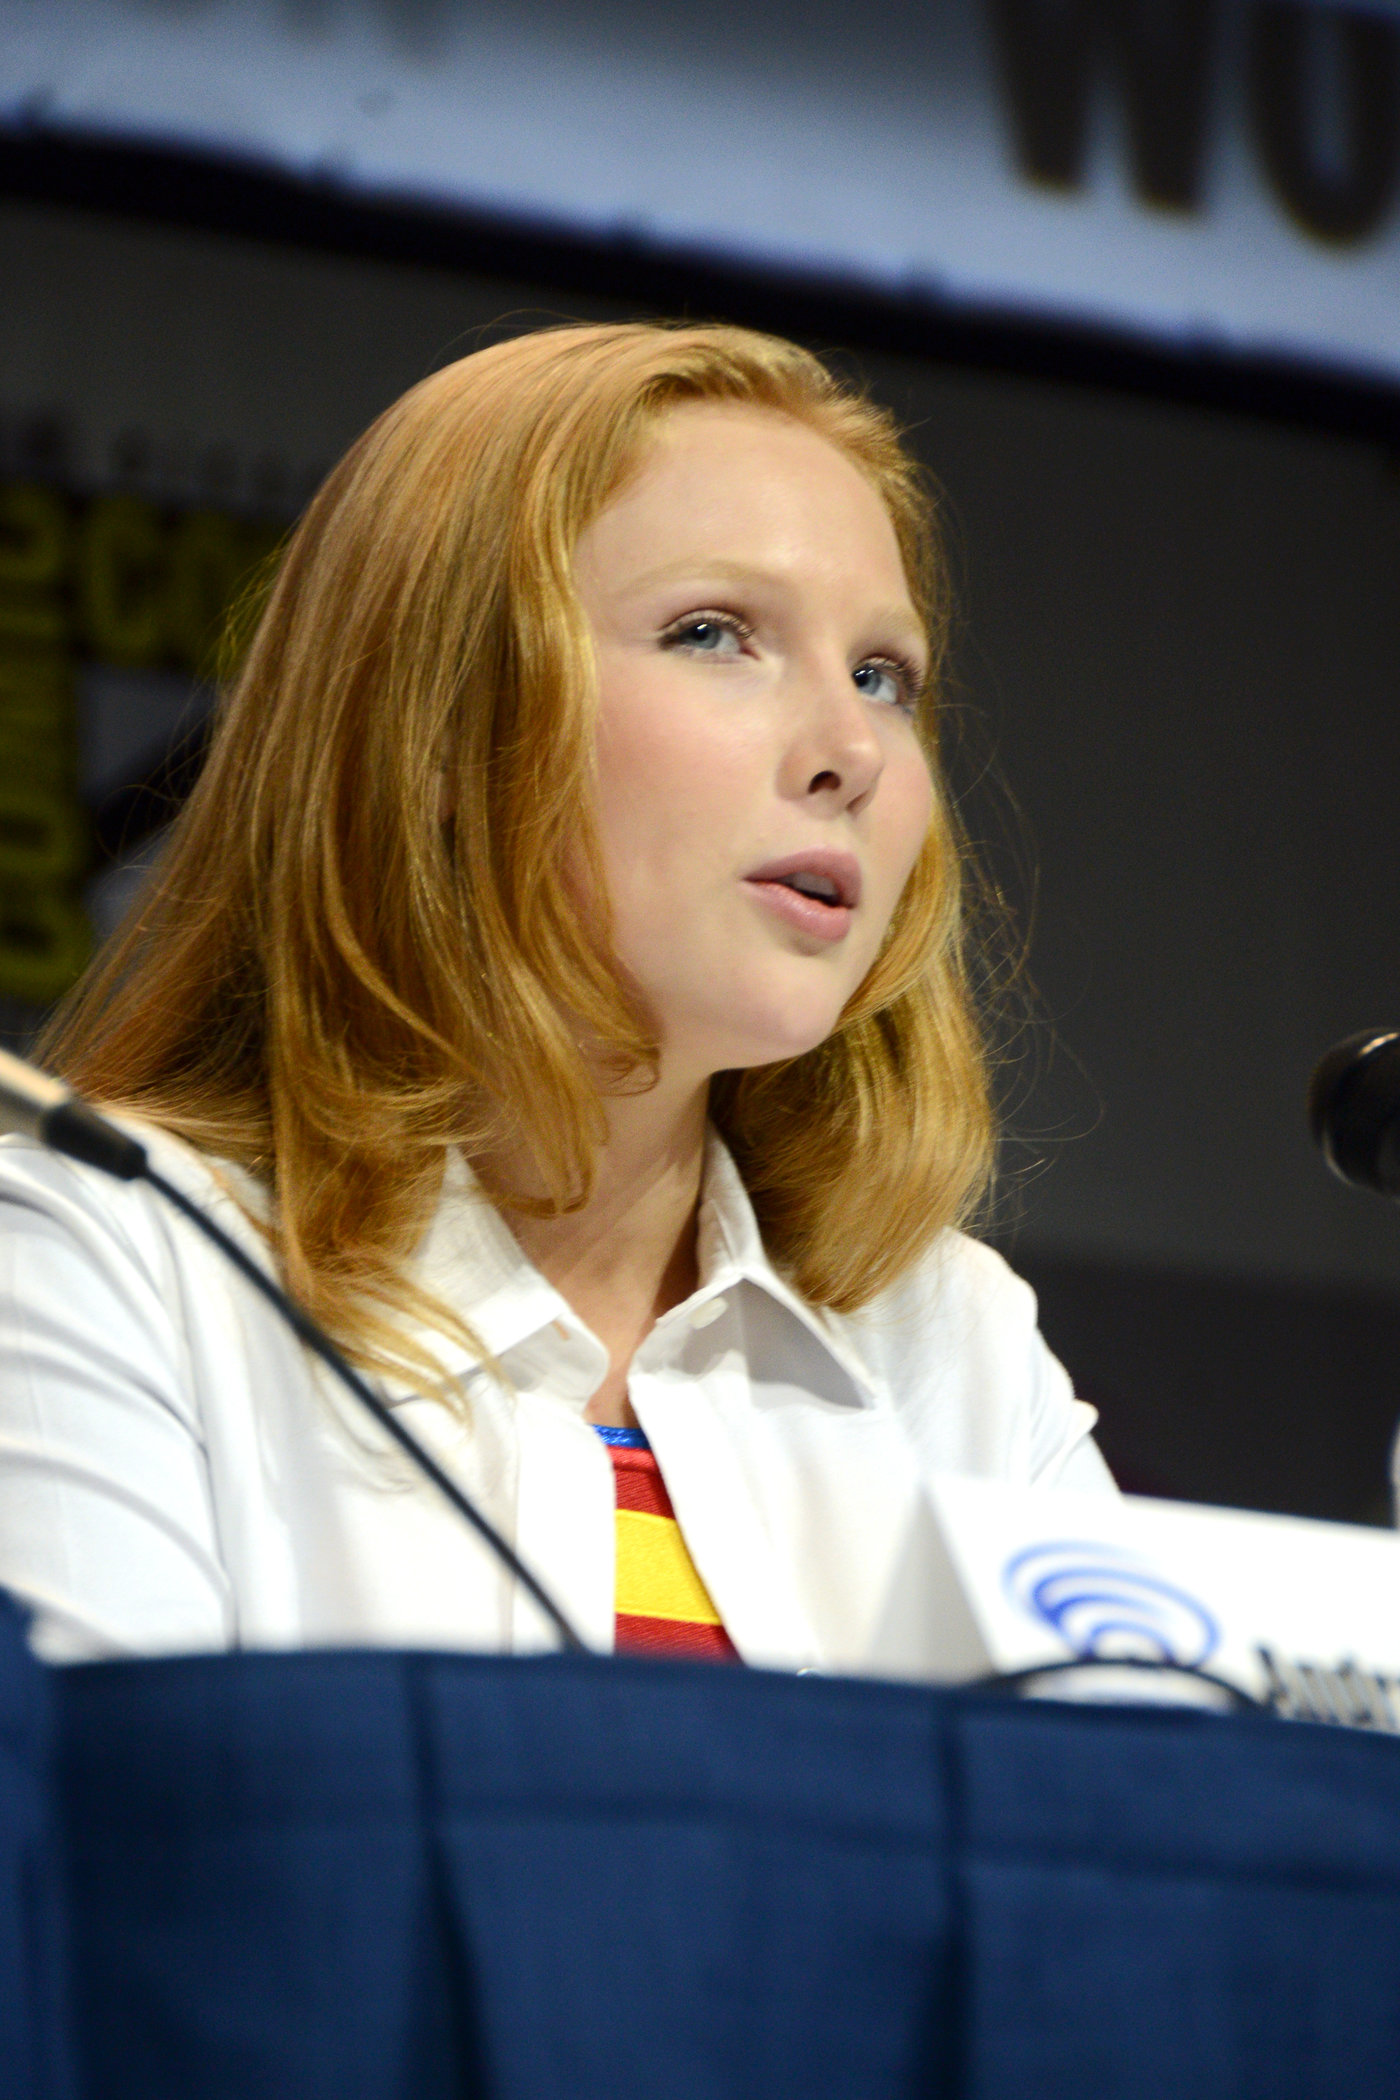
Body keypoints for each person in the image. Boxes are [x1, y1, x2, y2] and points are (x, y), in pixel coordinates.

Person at [0, 322, 1113, 1674]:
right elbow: (104, 1864)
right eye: (717, 634)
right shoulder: (104, 1265)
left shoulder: (949, 1343)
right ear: (437, 729)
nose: (850, 752)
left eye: (884, 676)